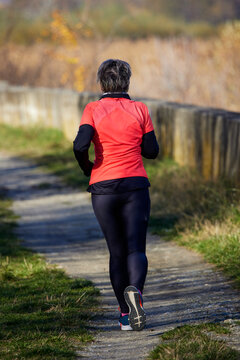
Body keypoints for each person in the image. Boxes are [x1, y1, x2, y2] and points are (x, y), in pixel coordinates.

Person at [73, 59, 159, 331]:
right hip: (135, 185)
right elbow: (152, 151)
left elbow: (80, 145)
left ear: (101, 83)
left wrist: (89, 167)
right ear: (127, 81)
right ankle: (136, 294)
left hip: (104, 188)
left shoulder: (92, 109)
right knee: (136, 248)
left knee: (117, 251)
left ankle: (125, 314)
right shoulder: (140, 109)